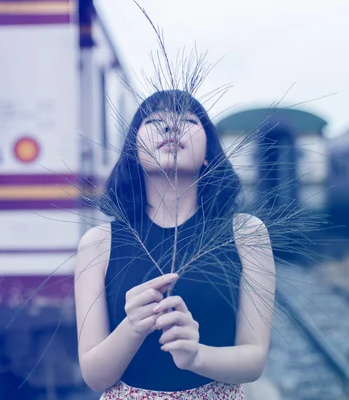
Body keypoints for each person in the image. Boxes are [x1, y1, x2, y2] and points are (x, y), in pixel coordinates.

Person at [74, 90, 276, 399]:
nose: (171, 128)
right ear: (133, 150)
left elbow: (254, 359)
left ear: (209, 152)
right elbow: (94, 375)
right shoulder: (98, 243)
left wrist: (197, 356)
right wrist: (132, 327)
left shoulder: (246, 234)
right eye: (155, 121)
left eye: (188, 120)